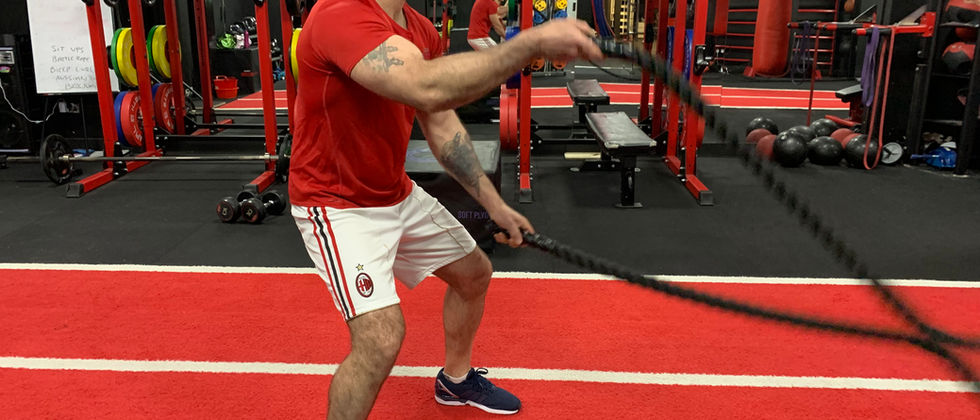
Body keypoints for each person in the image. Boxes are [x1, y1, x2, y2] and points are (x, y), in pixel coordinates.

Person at [289, 0, 600, 417]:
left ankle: (455, 382)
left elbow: (440, 121)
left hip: (394, 192)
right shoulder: (340, 13)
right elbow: (425, 86)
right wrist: (530, 43)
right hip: (336, 205)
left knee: (473, 275)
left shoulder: (420, 29)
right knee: (380, 339)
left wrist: (494, 205)